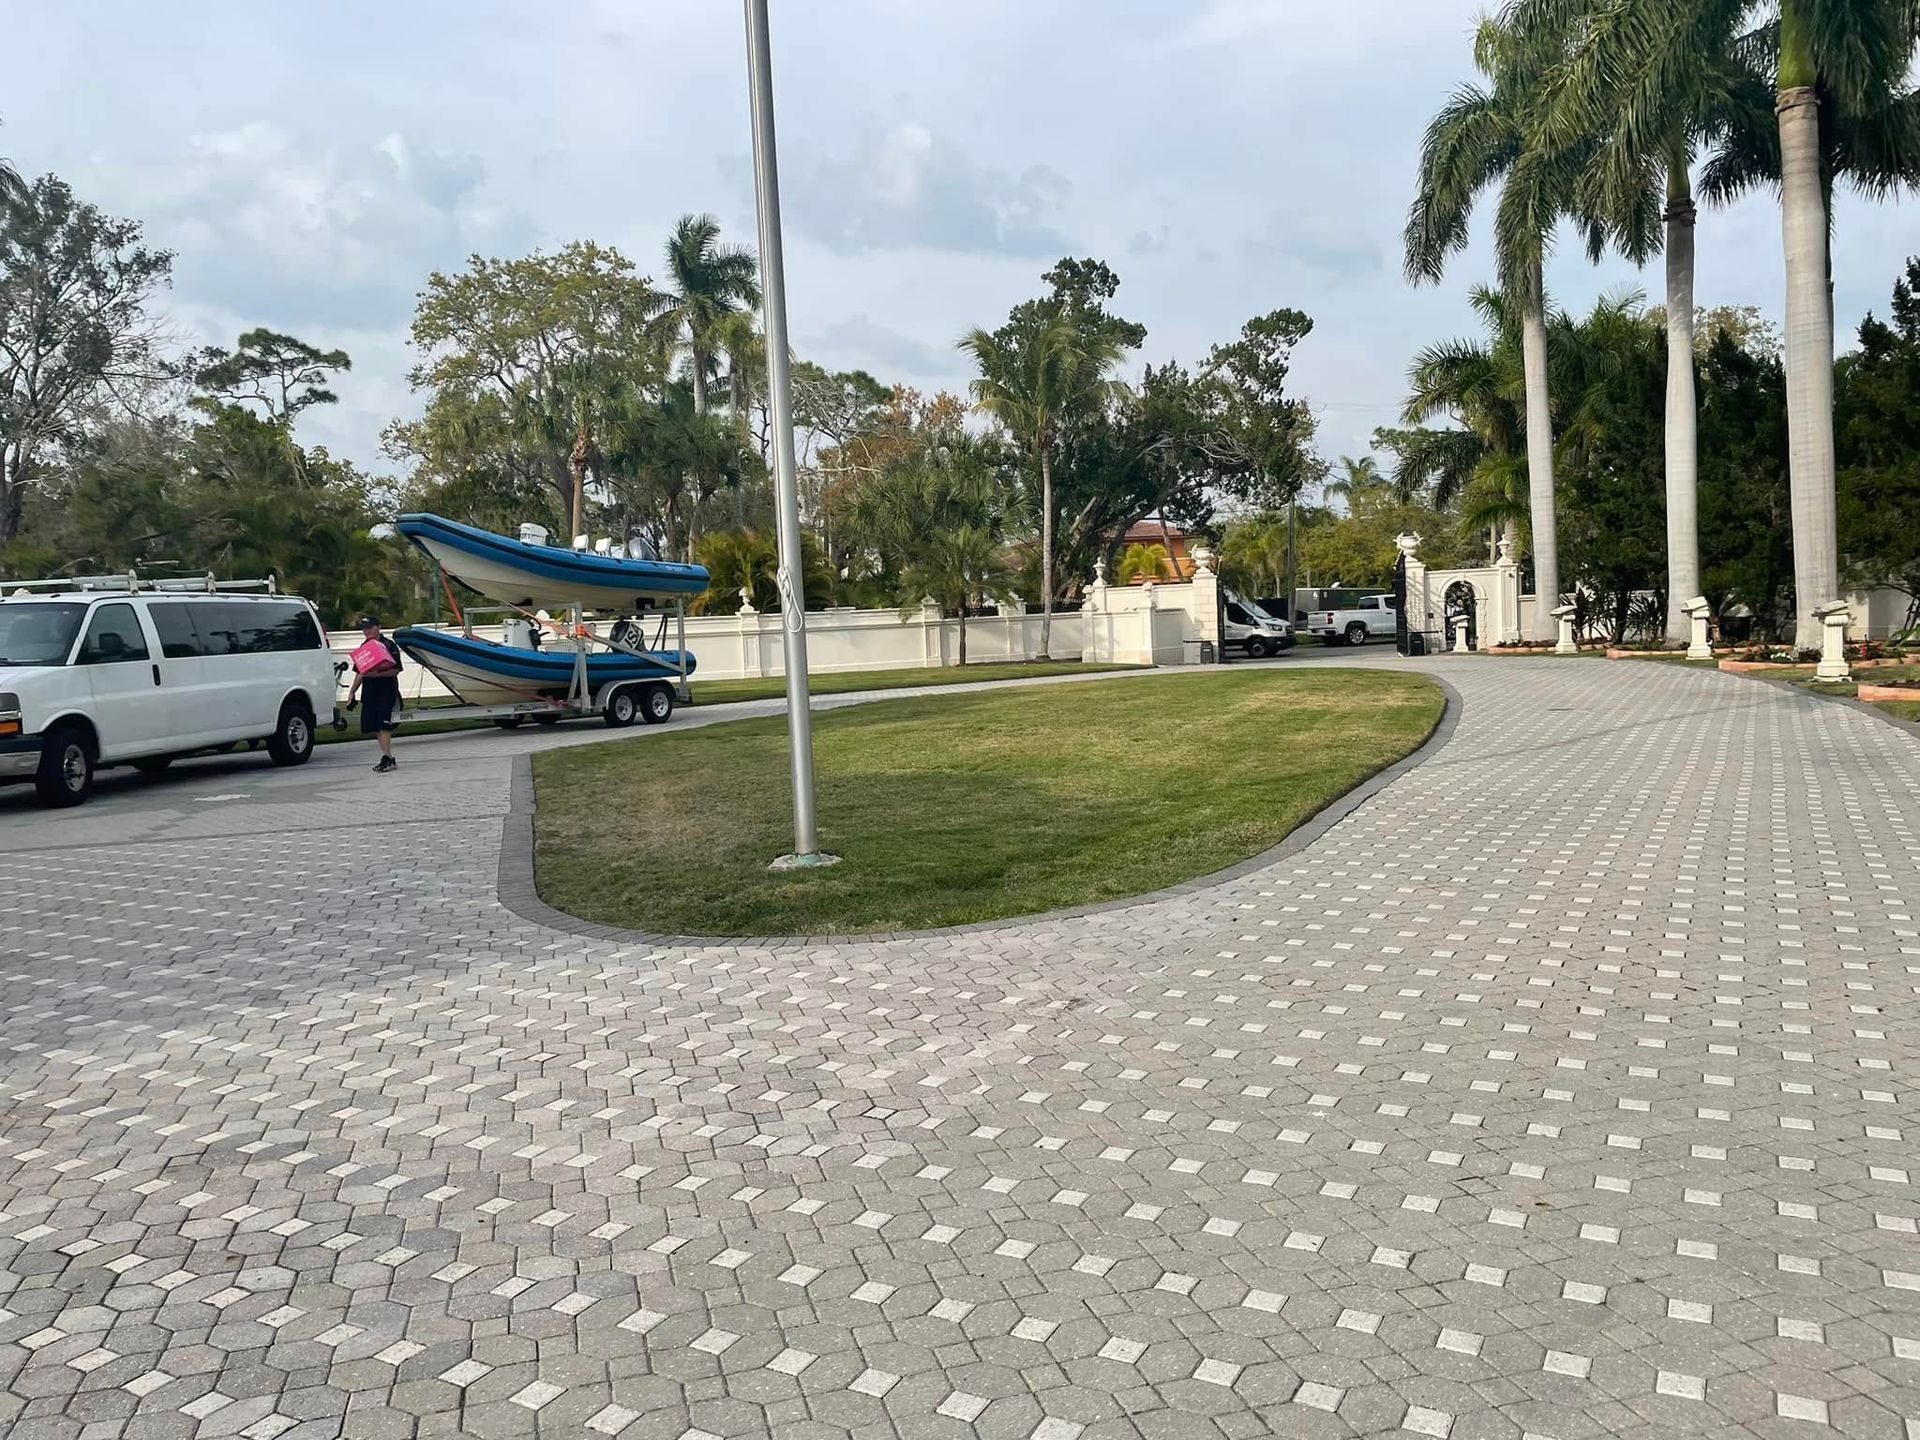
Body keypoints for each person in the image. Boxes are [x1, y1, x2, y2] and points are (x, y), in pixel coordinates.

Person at [346, 615, 404, 773]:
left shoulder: (389, 645)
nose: (366, 631)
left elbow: (396, 670)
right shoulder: (364, 647)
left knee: (383, 724)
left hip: (386, 691)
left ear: (378, 627)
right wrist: (352, 692)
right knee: (375, 727)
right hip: (370, 692)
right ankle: (388, 757)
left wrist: (377, 674)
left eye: (370, 627)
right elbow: (360, 672)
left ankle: (387, 757)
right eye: (364, 628)